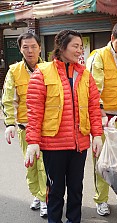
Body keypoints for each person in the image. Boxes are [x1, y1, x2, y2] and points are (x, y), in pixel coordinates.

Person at [25, 30, 103, 223]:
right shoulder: (42, 72)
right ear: (62, 47)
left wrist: (98, 135)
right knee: (56, 189)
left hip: (79, 144)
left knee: (76, 188)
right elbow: (34, 111)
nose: (79, 50)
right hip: (54, 145)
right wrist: (33, 141)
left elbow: (93, 107)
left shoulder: (84, 74)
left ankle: (74, 220)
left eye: (80, 46)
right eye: (75, 46)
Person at [85, 22, 117, 216]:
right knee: (102, 161)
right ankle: (101, 199)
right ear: (112, 38)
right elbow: (92, 88)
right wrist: (99, 112)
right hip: (104, 118)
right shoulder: (98, 56)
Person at [1, 32, 48, 218]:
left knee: (44, 165)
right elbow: (9, 99)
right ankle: (37, 194)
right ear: (20, 49)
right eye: (25, 47)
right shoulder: (14, 71)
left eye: (33, 46)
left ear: (40, 47)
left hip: (46, 128)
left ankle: (45, 199)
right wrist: (10, 123)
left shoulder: (49, 68)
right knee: (30, 165)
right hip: (25, 128)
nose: (30, 51)